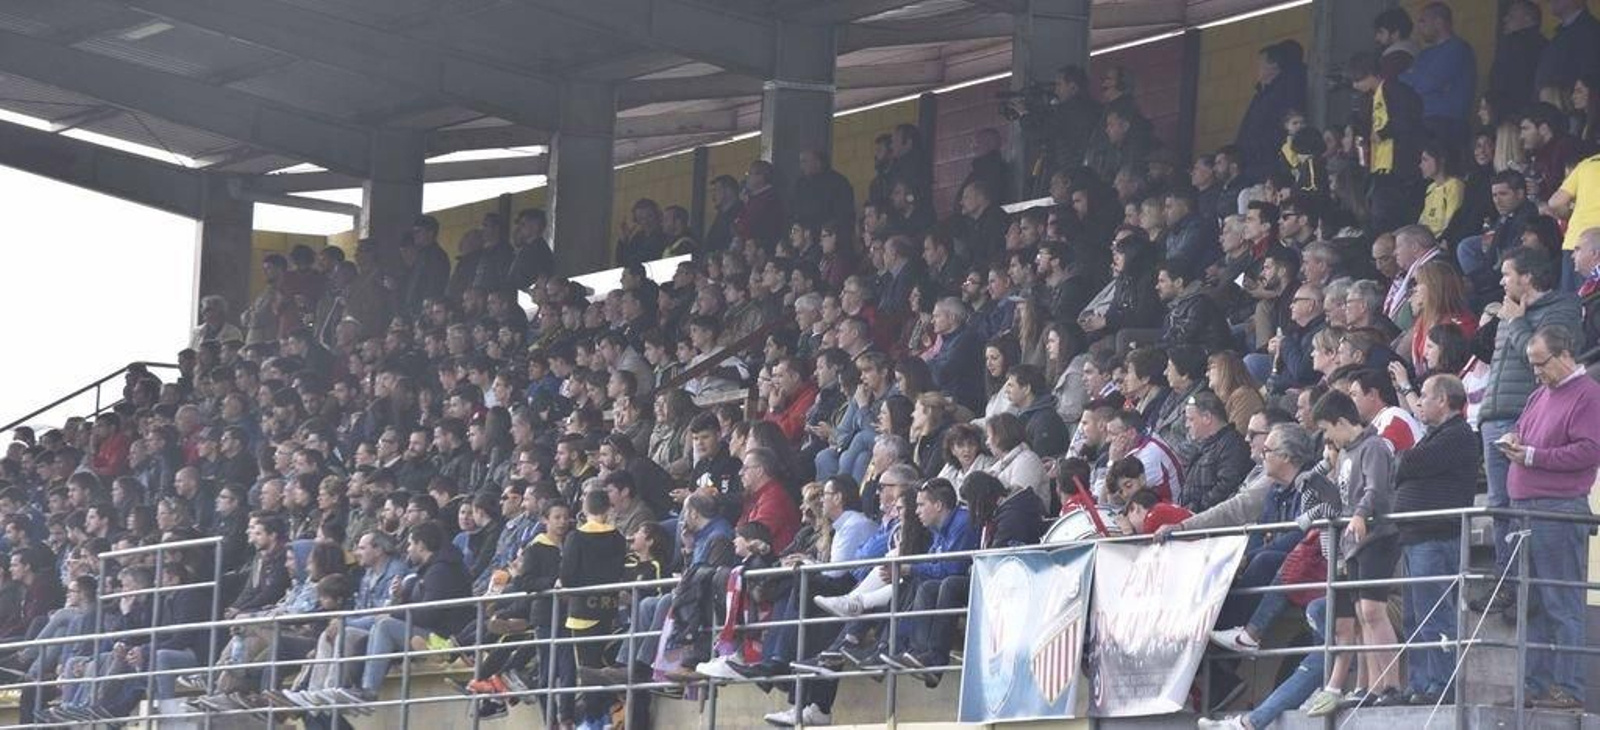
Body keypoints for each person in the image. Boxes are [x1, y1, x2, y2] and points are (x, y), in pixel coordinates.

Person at [1498, 325, 1600, 709]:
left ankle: (1568, 688)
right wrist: (1513, 440)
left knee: (1561, 601)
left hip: (1557, 509)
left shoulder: (1589, 394)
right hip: (1526, 508)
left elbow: (1591, 450)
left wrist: (1532, 456)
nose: (1536, 372)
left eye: (1540, 364)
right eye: (1531, 365)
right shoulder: (1540, 393)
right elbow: (1523, 431)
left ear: (1563, 355)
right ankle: (1535, 685)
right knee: (1534, 602)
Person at [1477, 248, 1582, 605]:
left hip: (1525, 414)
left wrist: (1516, 322)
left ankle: (1531, 588)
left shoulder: (1561, 308)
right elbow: (1484, 354)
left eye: (1508, 274)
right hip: (1494, 416)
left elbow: (1539, 356)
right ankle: (1507, 583)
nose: (1502, 281)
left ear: (1528, 277)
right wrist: (1496, 321)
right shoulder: (1508, 312)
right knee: (1500, 504)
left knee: (1526, 502)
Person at [1308, 389, 1403, 708]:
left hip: (1378, 537)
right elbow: (1342, 498)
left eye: (1326, 429)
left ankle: (1392, 684)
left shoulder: (1373, 446)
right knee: (1364, 614)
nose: (1326, 436)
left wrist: (1361, 514)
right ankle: (1376, 685)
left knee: (1374, 610)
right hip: (1354, 543)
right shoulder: (1346, 453)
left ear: (1341, 421)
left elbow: (1376, 489)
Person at [1393, 373, 1478, 705]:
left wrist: (1401, 462)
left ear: (1443, 400)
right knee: (1414, 617)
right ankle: (1420, 684)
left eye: (1425, 396)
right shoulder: (1435, 435)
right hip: (1417, 538)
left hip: (1437, 538)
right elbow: (1406, 465)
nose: (1419, 403)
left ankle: (1441, 686)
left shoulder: (1459, 435)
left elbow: (1409, 462)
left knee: (1434, 615)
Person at [1399, 3, 1475, 146]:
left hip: (1448, 124)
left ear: (1438, 22)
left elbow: (1424, 84)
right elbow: (1402, 82)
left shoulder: (1457, 48)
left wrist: (1415, 77)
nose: (1418, 27)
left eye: (1422, 21)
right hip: (1423, 122)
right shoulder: (1425, 53)